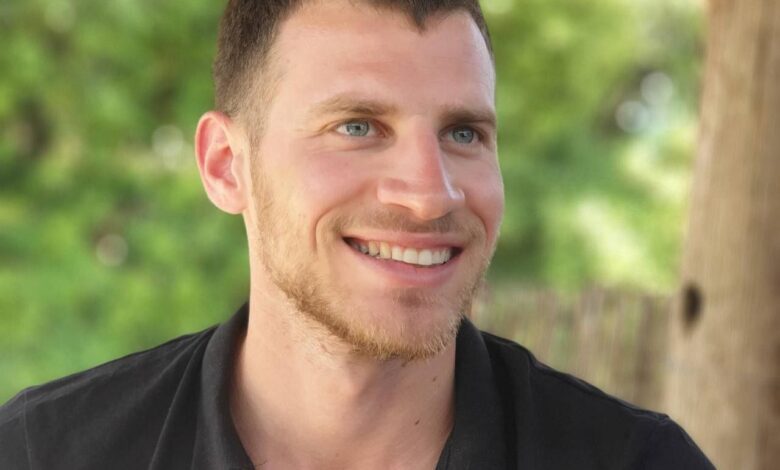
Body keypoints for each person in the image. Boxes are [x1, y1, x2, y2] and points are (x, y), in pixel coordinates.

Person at [0, 1, 715, 469]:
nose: (430, 195)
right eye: (357, 127)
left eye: (464, 132)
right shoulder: (42, 453)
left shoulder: (637, 463)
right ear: (226, 166)